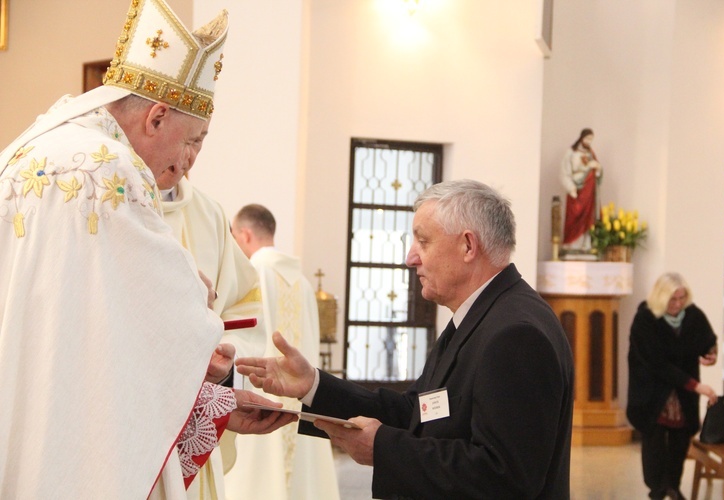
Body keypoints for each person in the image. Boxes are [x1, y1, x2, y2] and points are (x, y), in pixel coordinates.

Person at [0, 1, 295, 498]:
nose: (188, 162)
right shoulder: (111, 170)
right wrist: (196, 306)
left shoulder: (24, 152)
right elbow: (171, 324)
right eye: (193, 140)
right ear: (156, 117)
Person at [237, 179, 576, 499]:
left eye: (423, 241)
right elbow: (418, 411)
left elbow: (504, 476)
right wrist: (314, 385)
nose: (410, 257)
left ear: (468, 246)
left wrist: (383, 448)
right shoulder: (481, 316)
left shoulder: (516, 334)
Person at [157, 122, 267, 499]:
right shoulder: (110, 204)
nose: (186, 156)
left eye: (198, 142)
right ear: (153, 124)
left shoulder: (210, 214)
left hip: (194, 416)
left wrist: (228, 359)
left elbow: (247, 305)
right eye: (182, 139)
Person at [226, 203, 340, 500]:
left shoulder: (252, 272)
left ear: (245, 235)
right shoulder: (301, 282)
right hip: (300, 398)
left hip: (259, 397)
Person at [627, 272, 719, 500]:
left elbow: (708, 339)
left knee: (679, 441)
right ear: (660, 297)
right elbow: (656, 363)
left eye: (681, 298)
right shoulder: (645, 318)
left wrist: (711, 353)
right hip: (652, 391)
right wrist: (697, 386)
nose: (678, 304)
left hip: (682, 393)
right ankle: (657, 489)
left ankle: (673, 486)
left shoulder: (692, 315)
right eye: (672, 299)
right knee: (654, 441)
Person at [559, 128, 602, 253]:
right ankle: (572, 244)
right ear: (582, 138)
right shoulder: (571, 153)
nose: (589, 142)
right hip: (576, 190)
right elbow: (564, 172)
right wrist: (571, 187)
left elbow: (597, 173)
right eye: (587, 138)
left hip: (588, 192)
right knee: (574, 216)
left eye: (591, 140)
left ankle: (585, 245)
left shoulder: (590, 154)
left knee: (587, 218)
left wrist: (598, 168)